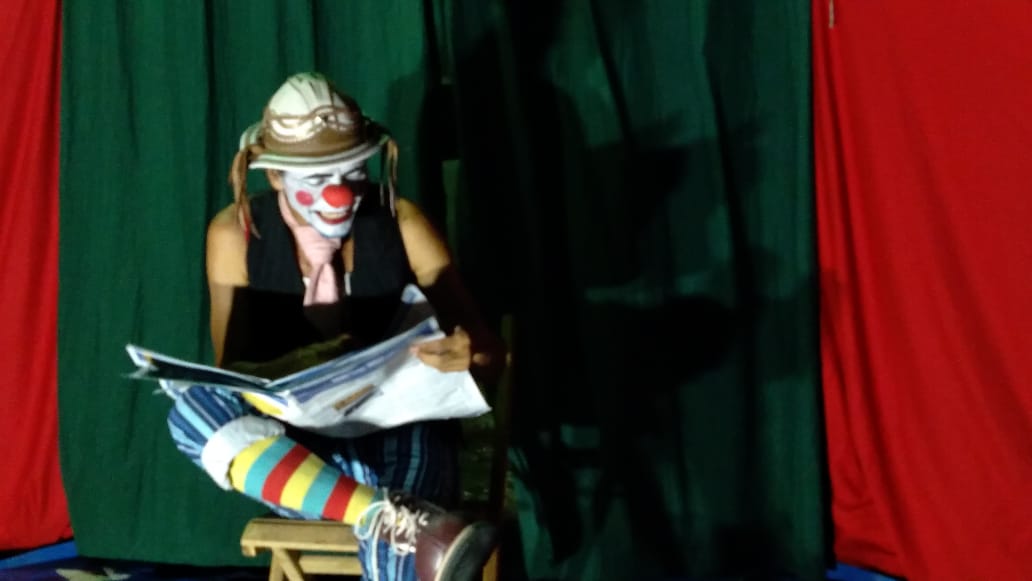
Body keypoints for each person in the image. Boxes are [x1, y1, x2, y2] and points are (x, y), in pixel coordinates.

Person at [166, 72, 505, 581]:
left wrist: (468, 353)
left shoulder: (402, 223)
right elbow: (232, 376)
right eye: (317, 180)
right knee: (192, 409)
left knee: (398, 540)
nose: (340, 194)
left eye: (353, 172)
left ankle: (394, 519)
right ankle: (386, 515)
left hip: (404, 435)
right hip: (310, 465)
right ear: (274, 176)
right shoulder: (234, 235)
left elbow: (491, 356)